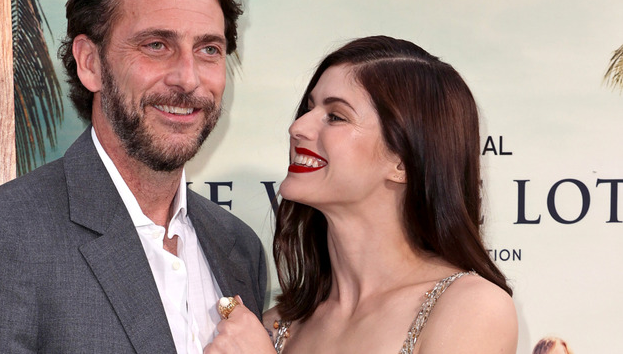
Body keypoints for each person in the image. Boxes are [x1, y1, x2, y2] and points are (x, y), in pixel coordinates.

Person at [0, 0, 267, 353]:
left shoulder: (239, 249)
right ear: (90, 63)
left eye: (208, 49)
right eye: (156, 45)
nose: (188, 78)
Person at [204, 36, 517, 354]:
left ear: (402, 162)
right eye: (309, 108)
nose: (298, 127)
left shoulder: (471, 308)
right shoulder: (277, 325)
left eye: (335, 116)